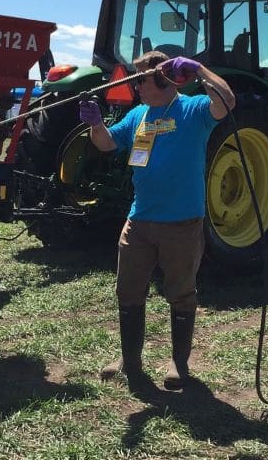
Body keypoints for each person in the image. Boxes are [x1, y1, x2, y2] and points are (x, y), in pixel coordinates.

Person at [78, 50, 235, 389]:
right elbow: (106, 144)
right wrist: (95, 124)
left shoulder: (192, 110)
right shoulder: (139, 116)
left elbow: (227, 102)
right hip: (139, 222)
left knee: (181, 293)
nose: (135, 87)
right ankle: (129, 360)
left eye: (141, 80)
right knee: (128, 292)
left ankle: (179, 363)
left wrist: (200, 71)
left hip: (181, 225)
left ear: (163, 78)